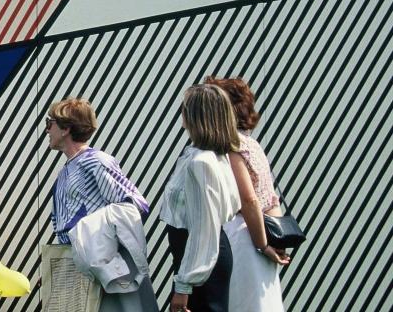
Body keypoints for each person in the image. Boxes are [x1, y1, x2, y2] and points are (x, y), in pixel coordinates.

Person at [46, 98, 157, 312]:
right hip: (79, 265)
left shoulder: (95, 161)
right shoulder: (66, 171)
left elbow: (135, 205)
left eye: (50, 123)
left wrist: (95, 234)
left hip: (100, 266)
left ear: (66, 128)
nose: (47, 130)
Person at [205, 76, 289, 311]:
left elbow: (248, 199)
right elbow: (269, 197)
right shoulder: (253, 144)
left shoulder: (231, 146)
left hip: (245, 237)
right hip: (263, 233)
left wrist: (262, 245)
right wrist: (274, 241)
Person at [160, 84, 241, 312]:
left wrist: (184, 285)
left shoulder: (201, 162)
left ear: (196, 115)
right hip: (202, 256)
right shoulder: (211, 156)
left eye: (185, 108)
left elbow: (203, 228)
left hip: (200, 259)